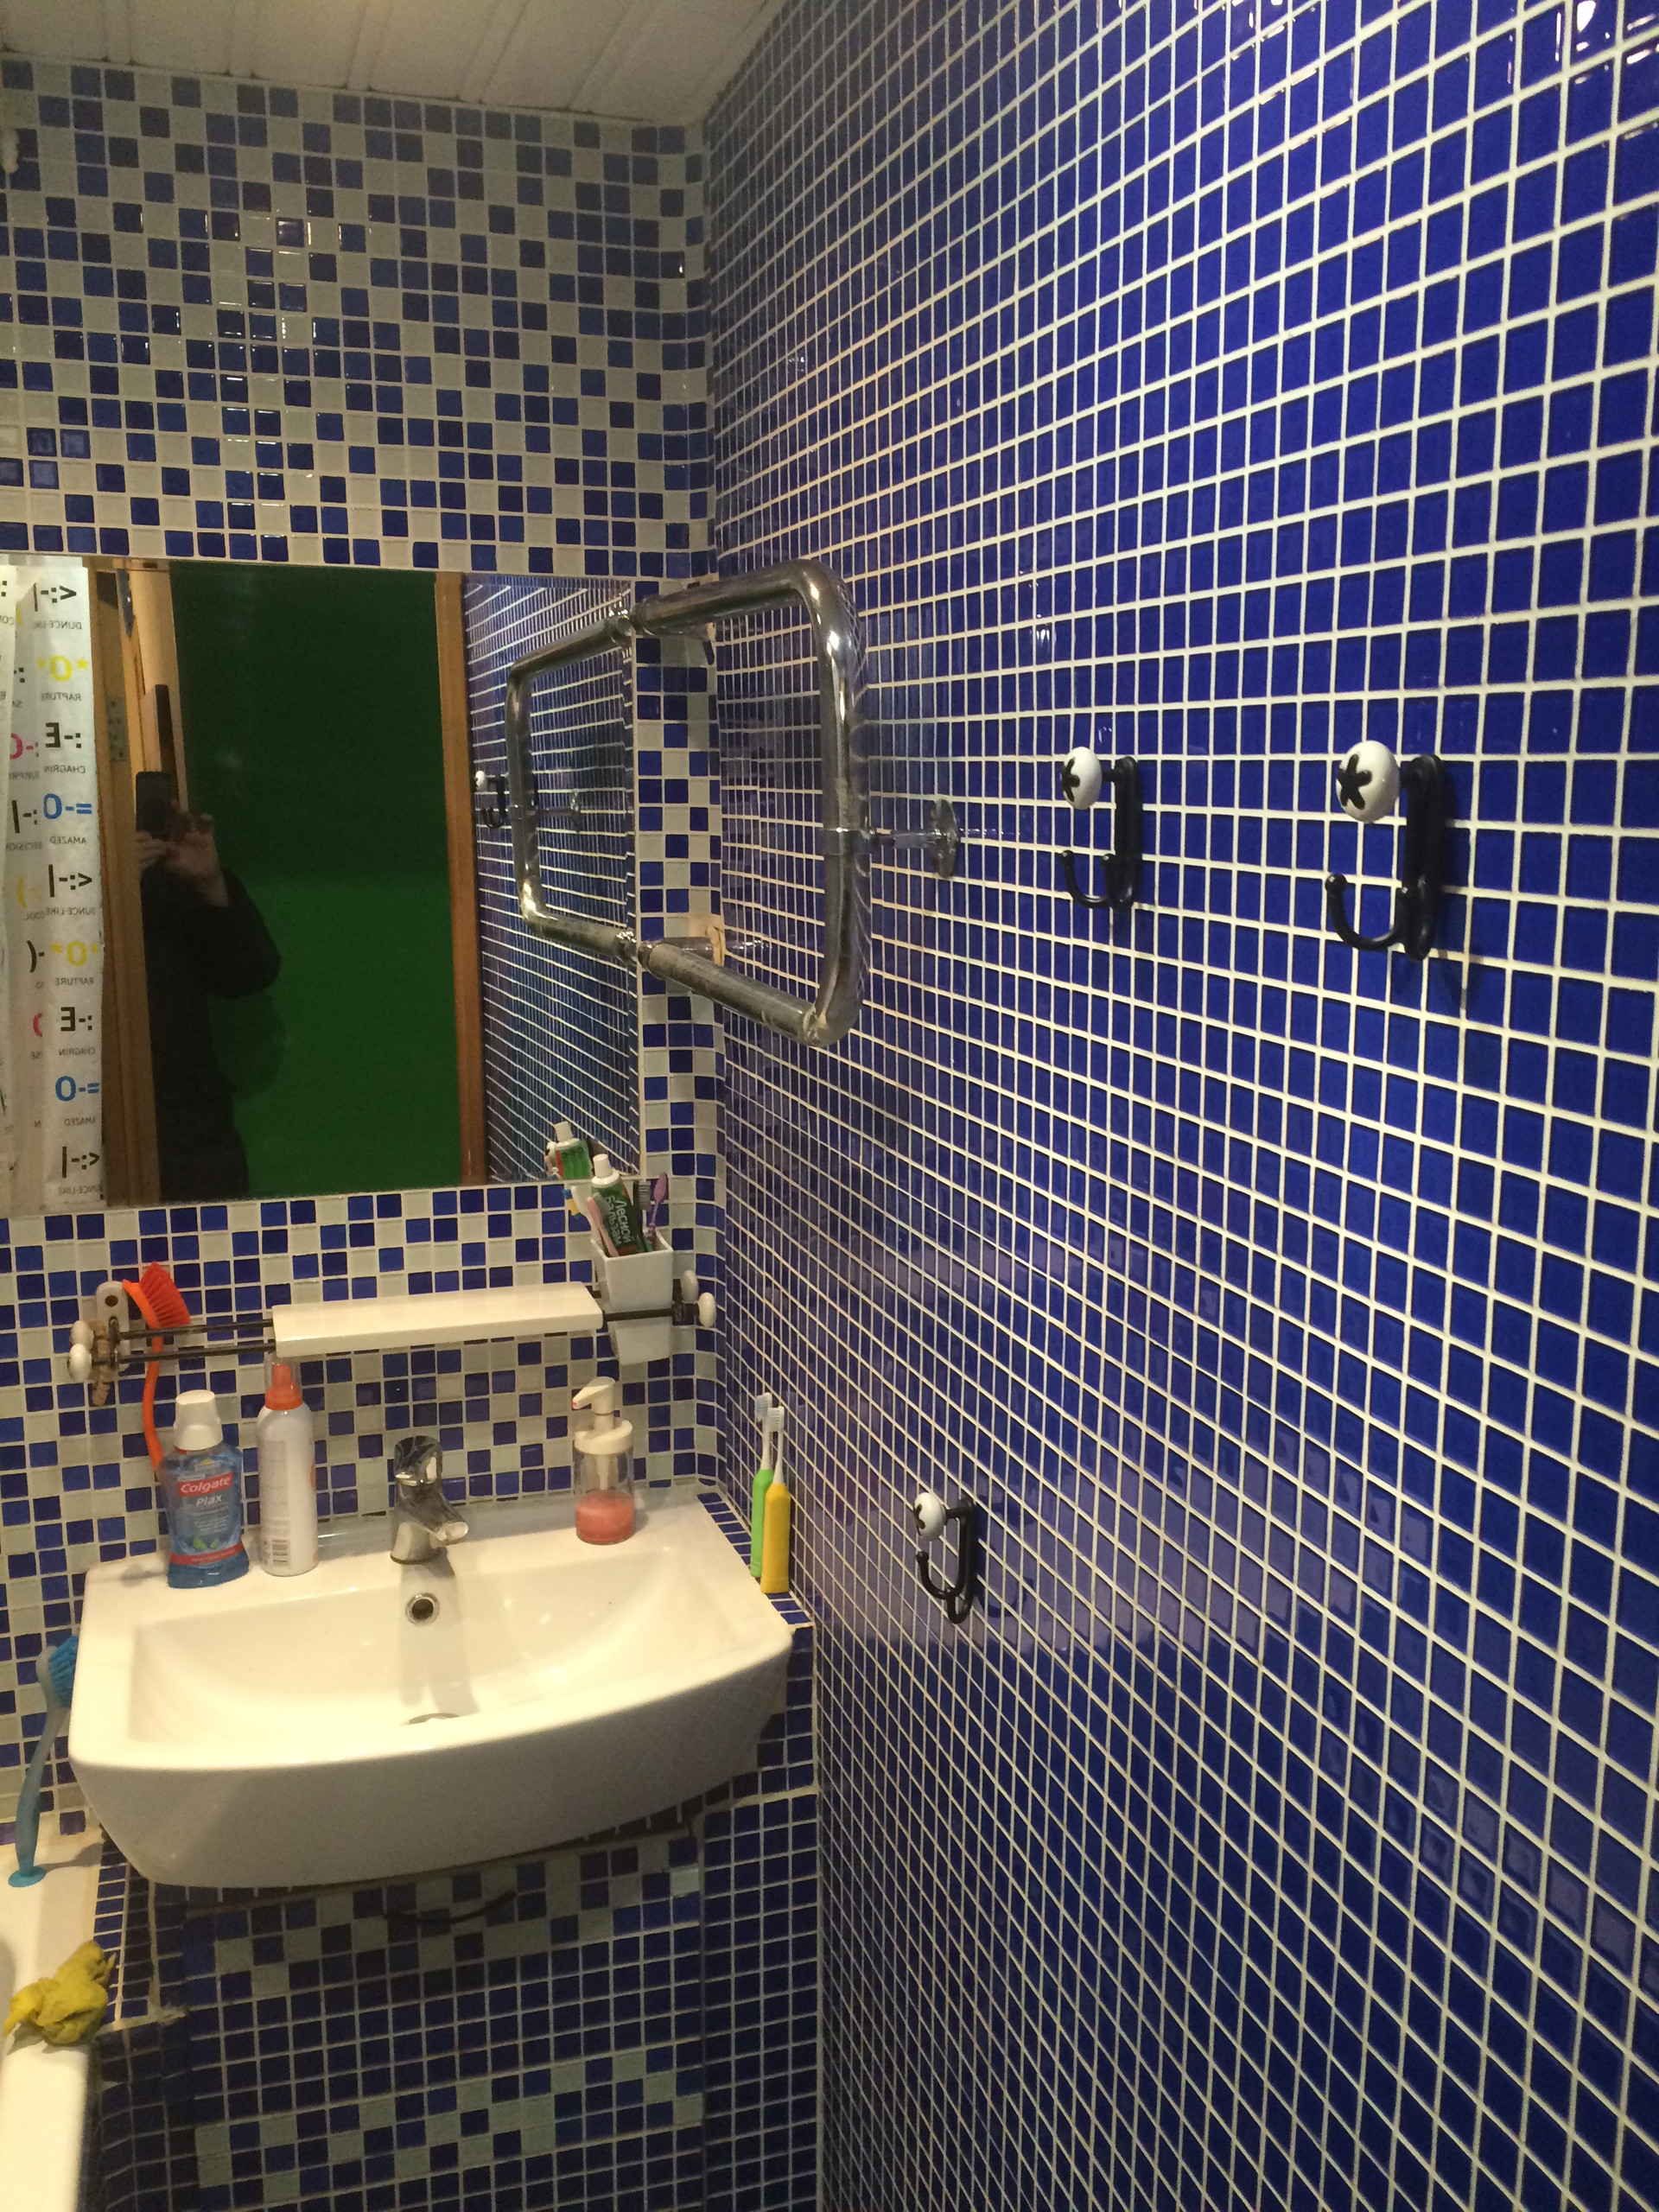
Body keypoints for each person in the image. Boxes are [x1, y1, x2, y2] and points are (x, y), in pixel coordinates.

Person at [137, 810, 280, 1201]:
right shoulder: (51, 891)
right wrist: (99, 886)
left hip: (191, 1130)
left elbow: (249, 975)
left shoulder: (171, 883)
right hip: (87, 1117)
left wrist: (210, 885)